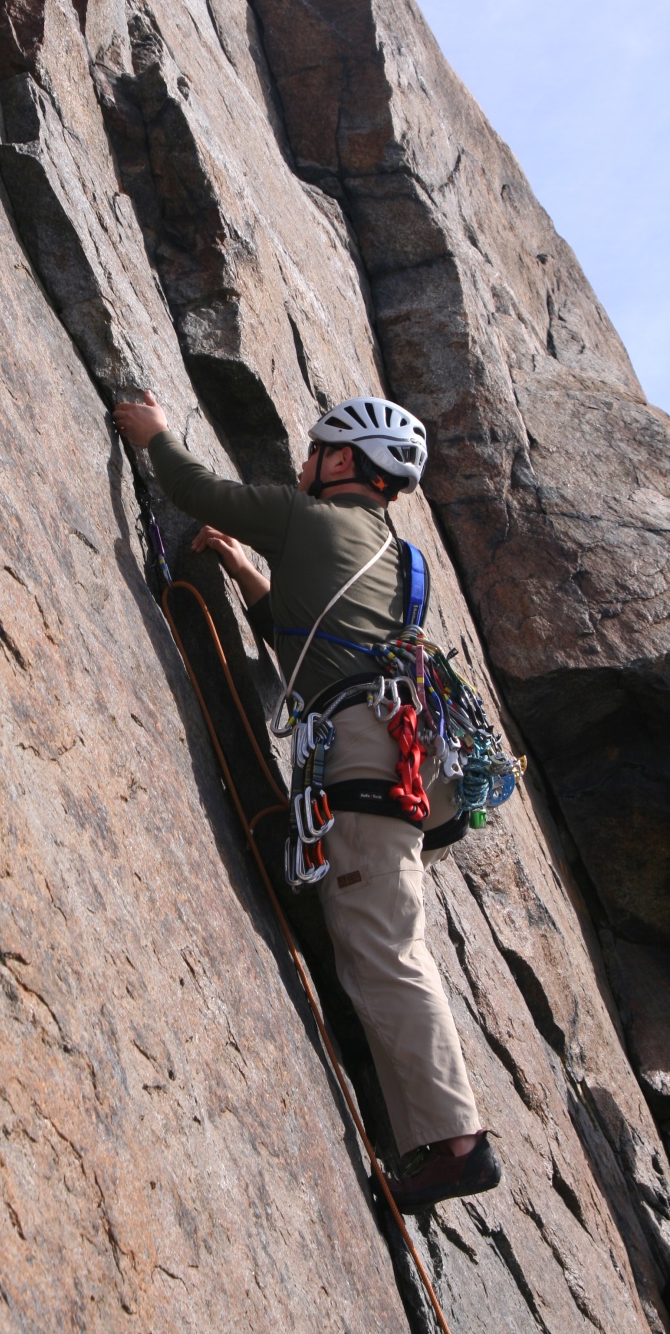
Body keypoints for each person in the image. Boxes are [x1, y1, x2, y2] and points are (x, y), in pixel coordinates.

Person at [113, 390, 502, 1211]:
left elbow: (198, 491)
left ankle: (458, 1145)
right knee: (380, 935)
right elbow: (321, 647)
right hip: (399, 763)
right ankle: (441, 1133)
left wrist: (155, 435)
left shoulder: (305, 517)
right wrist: (248, 575)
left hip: (363, 761)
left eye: (316, 449)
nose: (302, 463)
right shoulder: (401, 560)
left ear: (342, 461)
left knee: (385, 948)